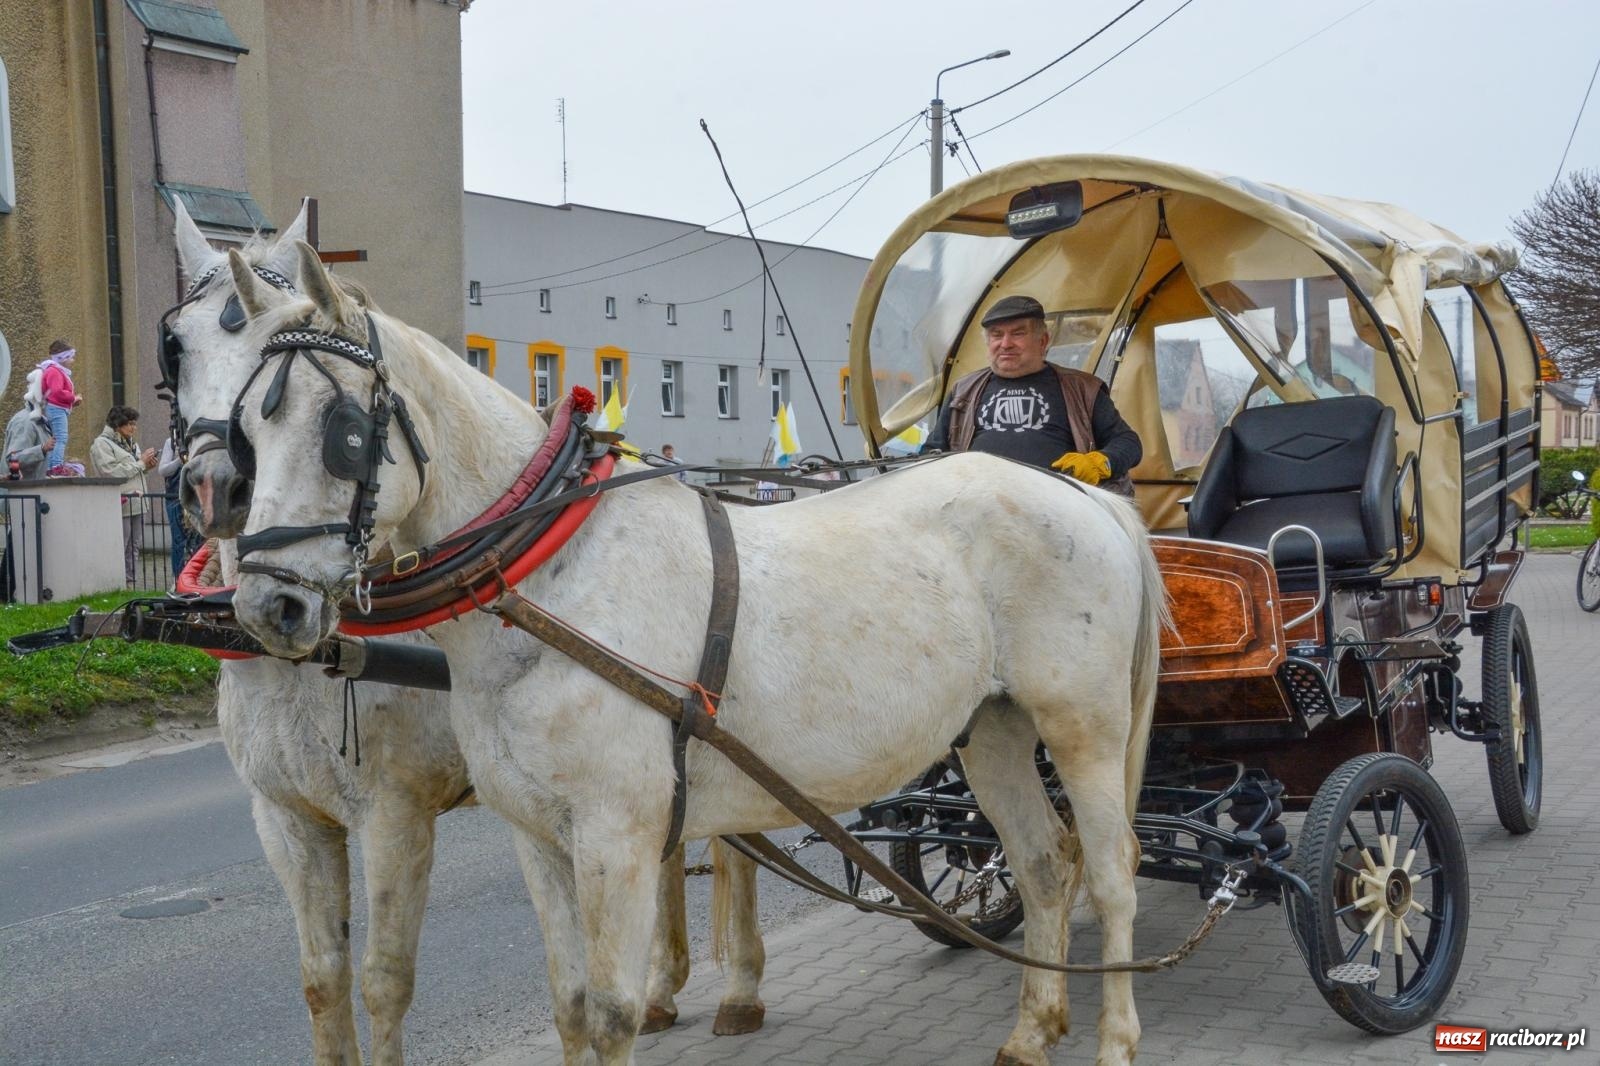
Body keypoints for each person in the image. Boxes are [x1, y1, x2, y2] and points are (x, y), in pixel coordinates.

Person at [925, 295, 1141, 497]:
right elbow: (932, 452)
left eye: (1018, 333)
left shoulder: (1083, 388)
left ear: (1043, 341)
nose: (1005, 343)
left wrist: (1099, 463)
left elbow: (1129, 443)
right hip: (978, 504)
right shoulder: (964, 389)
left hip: (1061, 506)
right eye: (996, 335)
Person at [89, 405, 157, 587]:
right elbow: (111, 473)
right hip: (121, 502)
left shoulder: (131, 443)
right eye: (129, 424)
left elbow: (135, 470)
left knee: (134, 545)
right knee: (121, 544)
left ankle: (131, 582)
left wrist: (147, 467)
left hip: (138, 502)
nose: (133, 428)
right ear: (117, 425)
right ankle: (116, 582)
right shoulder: (102, 444)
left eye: (134, 424)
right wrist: (141, 464)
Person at [37, 340, 83, 475]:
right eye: (70, 357)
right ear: (62, 357)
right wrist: (72, 397)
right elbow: (57, 392)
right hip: (56, 409)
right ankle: (56, 466)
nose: (72, 361)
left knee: (56, 438)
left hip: (57, 408)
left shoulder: (54, 370)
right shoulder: (55, 371)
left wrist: (71, 402)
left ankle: (52, 466)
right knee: (61, 438)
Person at [157, 436, 201, 578]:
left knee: (198, 540)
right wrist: (180, 459)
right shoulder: (172, 442)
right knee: (178, 540)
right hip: (174, 497)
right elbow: (163, 470)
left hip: (197, 496)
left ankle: (196, 579)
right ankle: (178, 579)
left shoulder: (199, 438)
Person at [4, 397, 54, 481]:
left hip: (36, 489)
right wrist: (42, 449)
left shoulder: (41, 420)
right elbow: (12, 459)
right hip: (21, 491)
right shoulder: (25, 422)